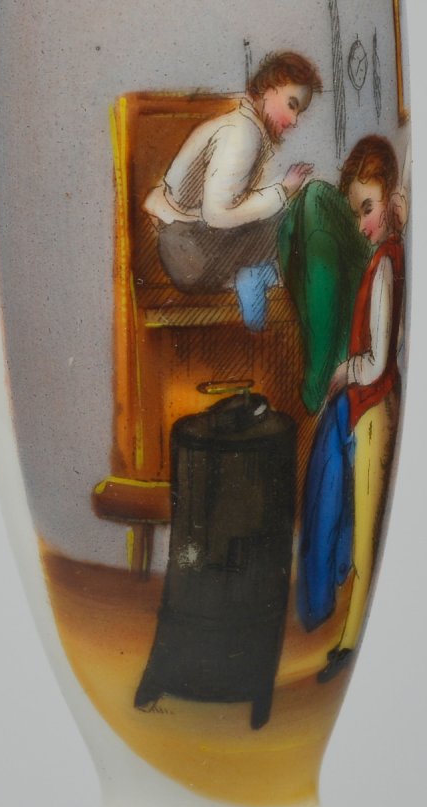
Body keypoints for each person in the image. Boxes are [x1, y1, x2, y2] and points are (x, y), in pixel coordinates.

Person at [144, 52, 322, 330]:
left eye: (299, 112)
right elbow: (217, 214)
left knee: (291, 218)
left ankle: (259, 274)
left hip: (188, 248)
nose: (294, 120)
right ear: (268, 89)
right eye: (291, 105)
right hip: (192, 252)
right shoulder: (242, 133)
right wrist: (282, 190)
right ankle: (258, 275)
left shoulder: (244, 126)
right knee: (297, 219)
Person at [315, 135, 406, 680]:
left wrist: (340, 374)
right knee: (359, 519)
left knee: (366, 527)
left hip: (373, 410)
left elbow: (374, 363)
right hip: (368, 410)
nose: (361, 222)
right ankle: (347, 637)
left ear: (390, 198)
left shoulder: (386, 266)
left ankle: (350, 642)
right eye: (355, 213)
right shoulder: (381, 260)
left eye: (367, 208)